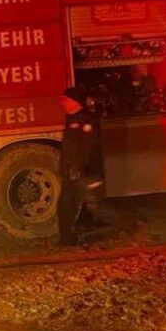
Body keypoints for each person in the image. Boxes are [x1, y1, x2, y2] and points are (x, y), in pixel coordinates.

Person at [57, 85, 105, 245]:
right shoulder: (70, 118)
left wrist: (78, 167)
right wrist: (64, 167)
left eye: (65, 100)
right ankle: (67, 239)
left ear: (75, 102)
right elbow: (68, 147)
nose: (62, 103)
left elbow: (88, 147)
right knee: (65, 206)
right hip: (70, 171)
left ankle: (124, 225)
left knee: (92, 207)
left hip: (82, 171)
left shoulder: (87, 119)